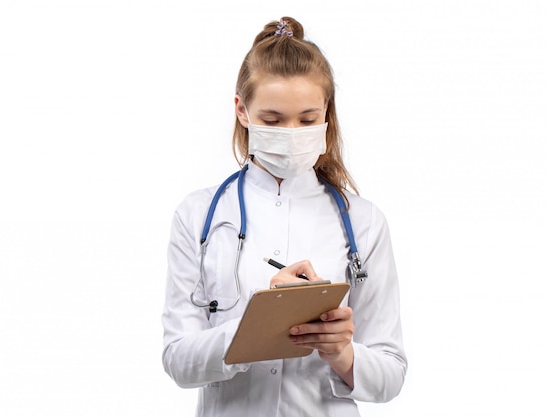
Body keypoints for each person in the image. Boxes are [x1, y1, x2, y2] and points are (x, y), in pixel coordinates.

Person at [161, 16, 407, 416]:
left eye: (308, 120)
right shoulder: (199, 215)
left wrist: (342, 353)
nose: (292, 133)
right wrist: (259, 325)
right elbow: (178, 361)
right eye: (273, 121)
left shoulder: (363, 222)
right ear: (242, 110)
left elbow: (391, 376)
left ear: (326, 112)